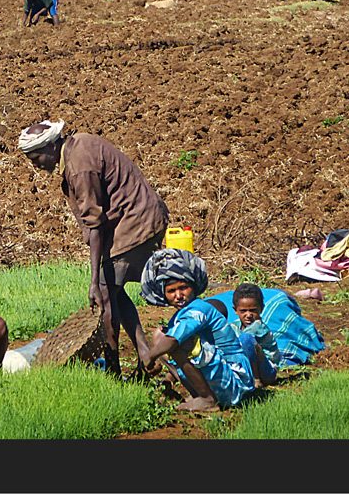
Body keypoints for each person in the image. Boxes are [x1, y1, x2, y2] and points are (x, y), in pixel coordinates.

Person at [18, 119, 169, 377]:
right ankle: (144, 353)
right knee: (112, 287)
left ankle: (113, 370)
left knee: (103, 290)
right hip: (134, 217)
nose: (35, 165)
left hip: (136, 221)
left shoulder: (78, 167)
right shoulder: (79, 145)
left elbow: (95, 224)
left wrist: (92, 281)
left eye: (36, 158)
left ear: (51, 146)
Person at [139, 248, 256, 411]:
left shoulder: (198, 309)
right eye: (171, 291)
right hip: (220, 376)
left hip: (235, 381)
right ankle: (201, 392)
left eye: (183, 288)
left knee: (177, 342)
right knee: (160, 336)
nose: (178, 295)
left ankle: (207, 399)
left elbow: (174, 339)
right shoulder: (181, 314)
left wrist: (149, 357)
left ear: (193, 287)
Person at [231, 282, 280, 387]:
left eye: (253, 310)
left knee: (246, 339)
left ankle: (256, 380)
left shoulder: (258, 326)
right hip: (246, 366)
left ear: (261, 309)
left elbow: (243, 341)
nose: (248, 315)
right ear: (235, 310)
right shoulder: (234, 326)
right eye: (243, 311)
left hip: (267, 371)